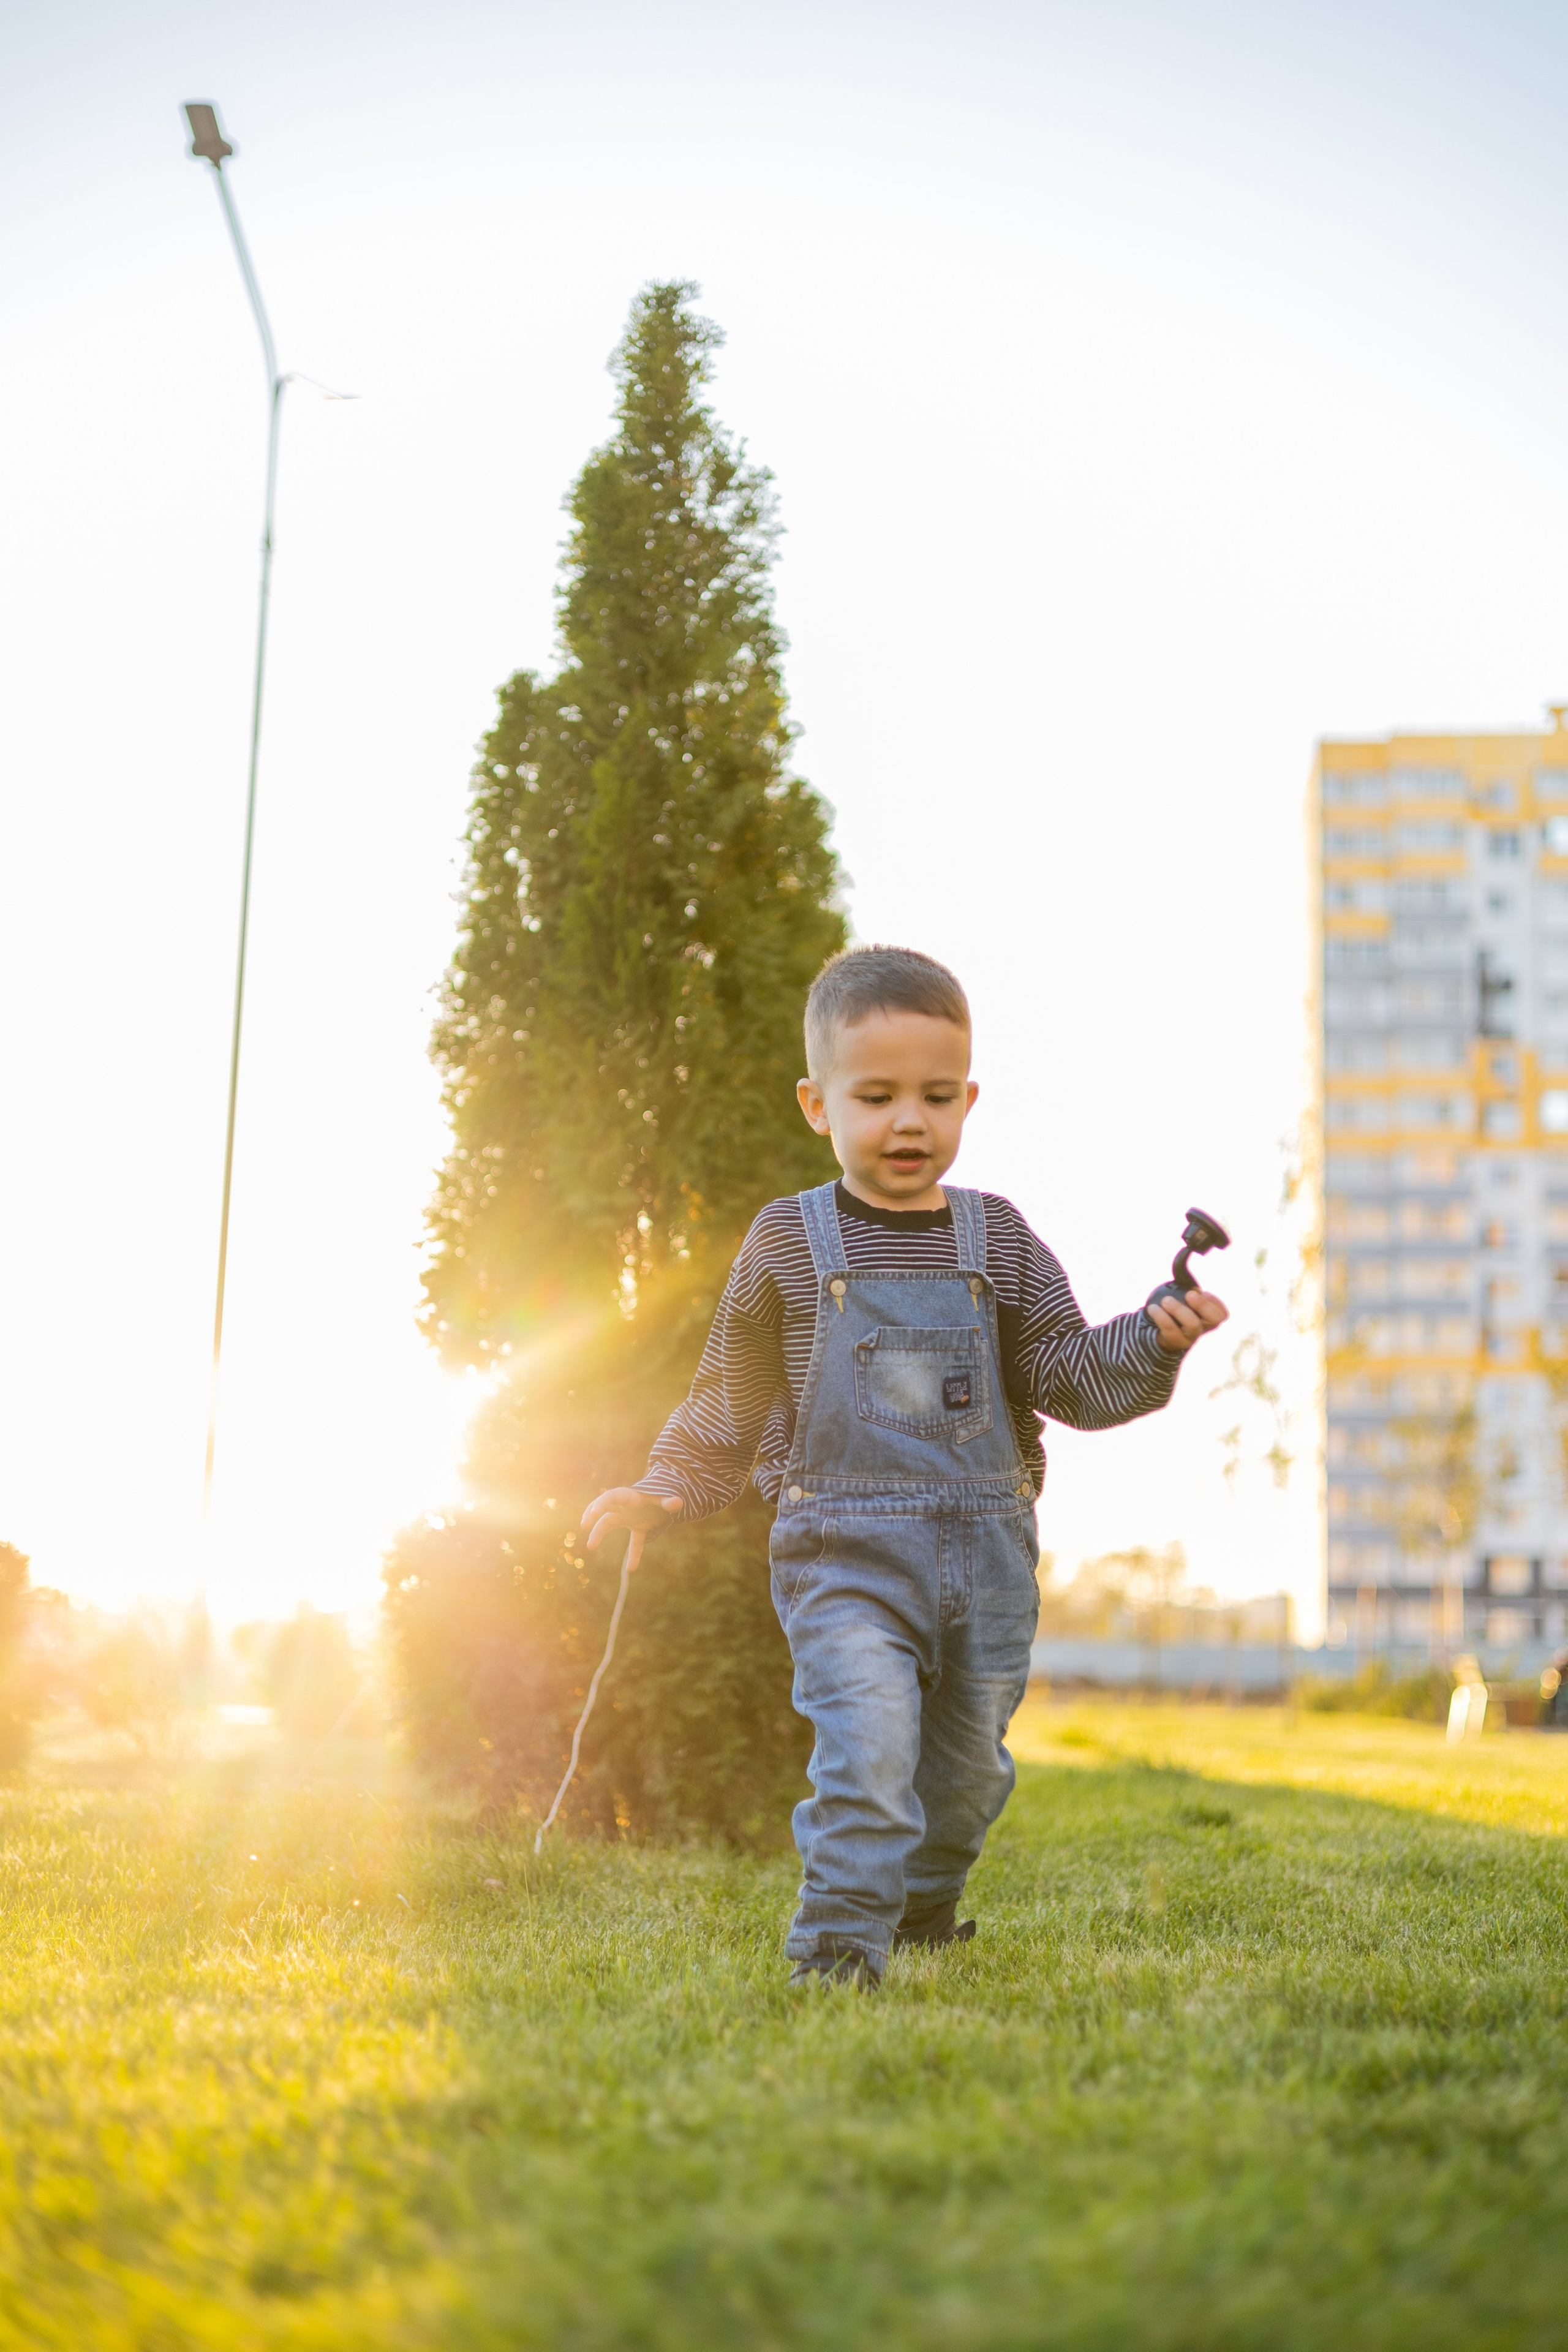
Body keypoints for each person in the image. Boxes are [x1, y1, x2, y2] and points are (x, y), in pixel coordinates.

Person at [581, 945, 1227, 1987]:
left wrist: (1152, 1341)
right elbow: (731, 1394)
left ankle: (924, 1914)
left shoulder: (999, 1238)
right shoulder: (788, 1243)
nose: (909, 1122)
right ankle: (839, 1949)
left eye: (935, 1095)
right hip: (842, 1557)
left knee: (967, 1779)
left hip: (988, 1562)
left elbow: (1065, 1375)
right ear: (817, 1105)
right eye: (875, 1097)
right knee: (870, 1749)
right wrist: (669, 1485)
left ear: (969, 1099)